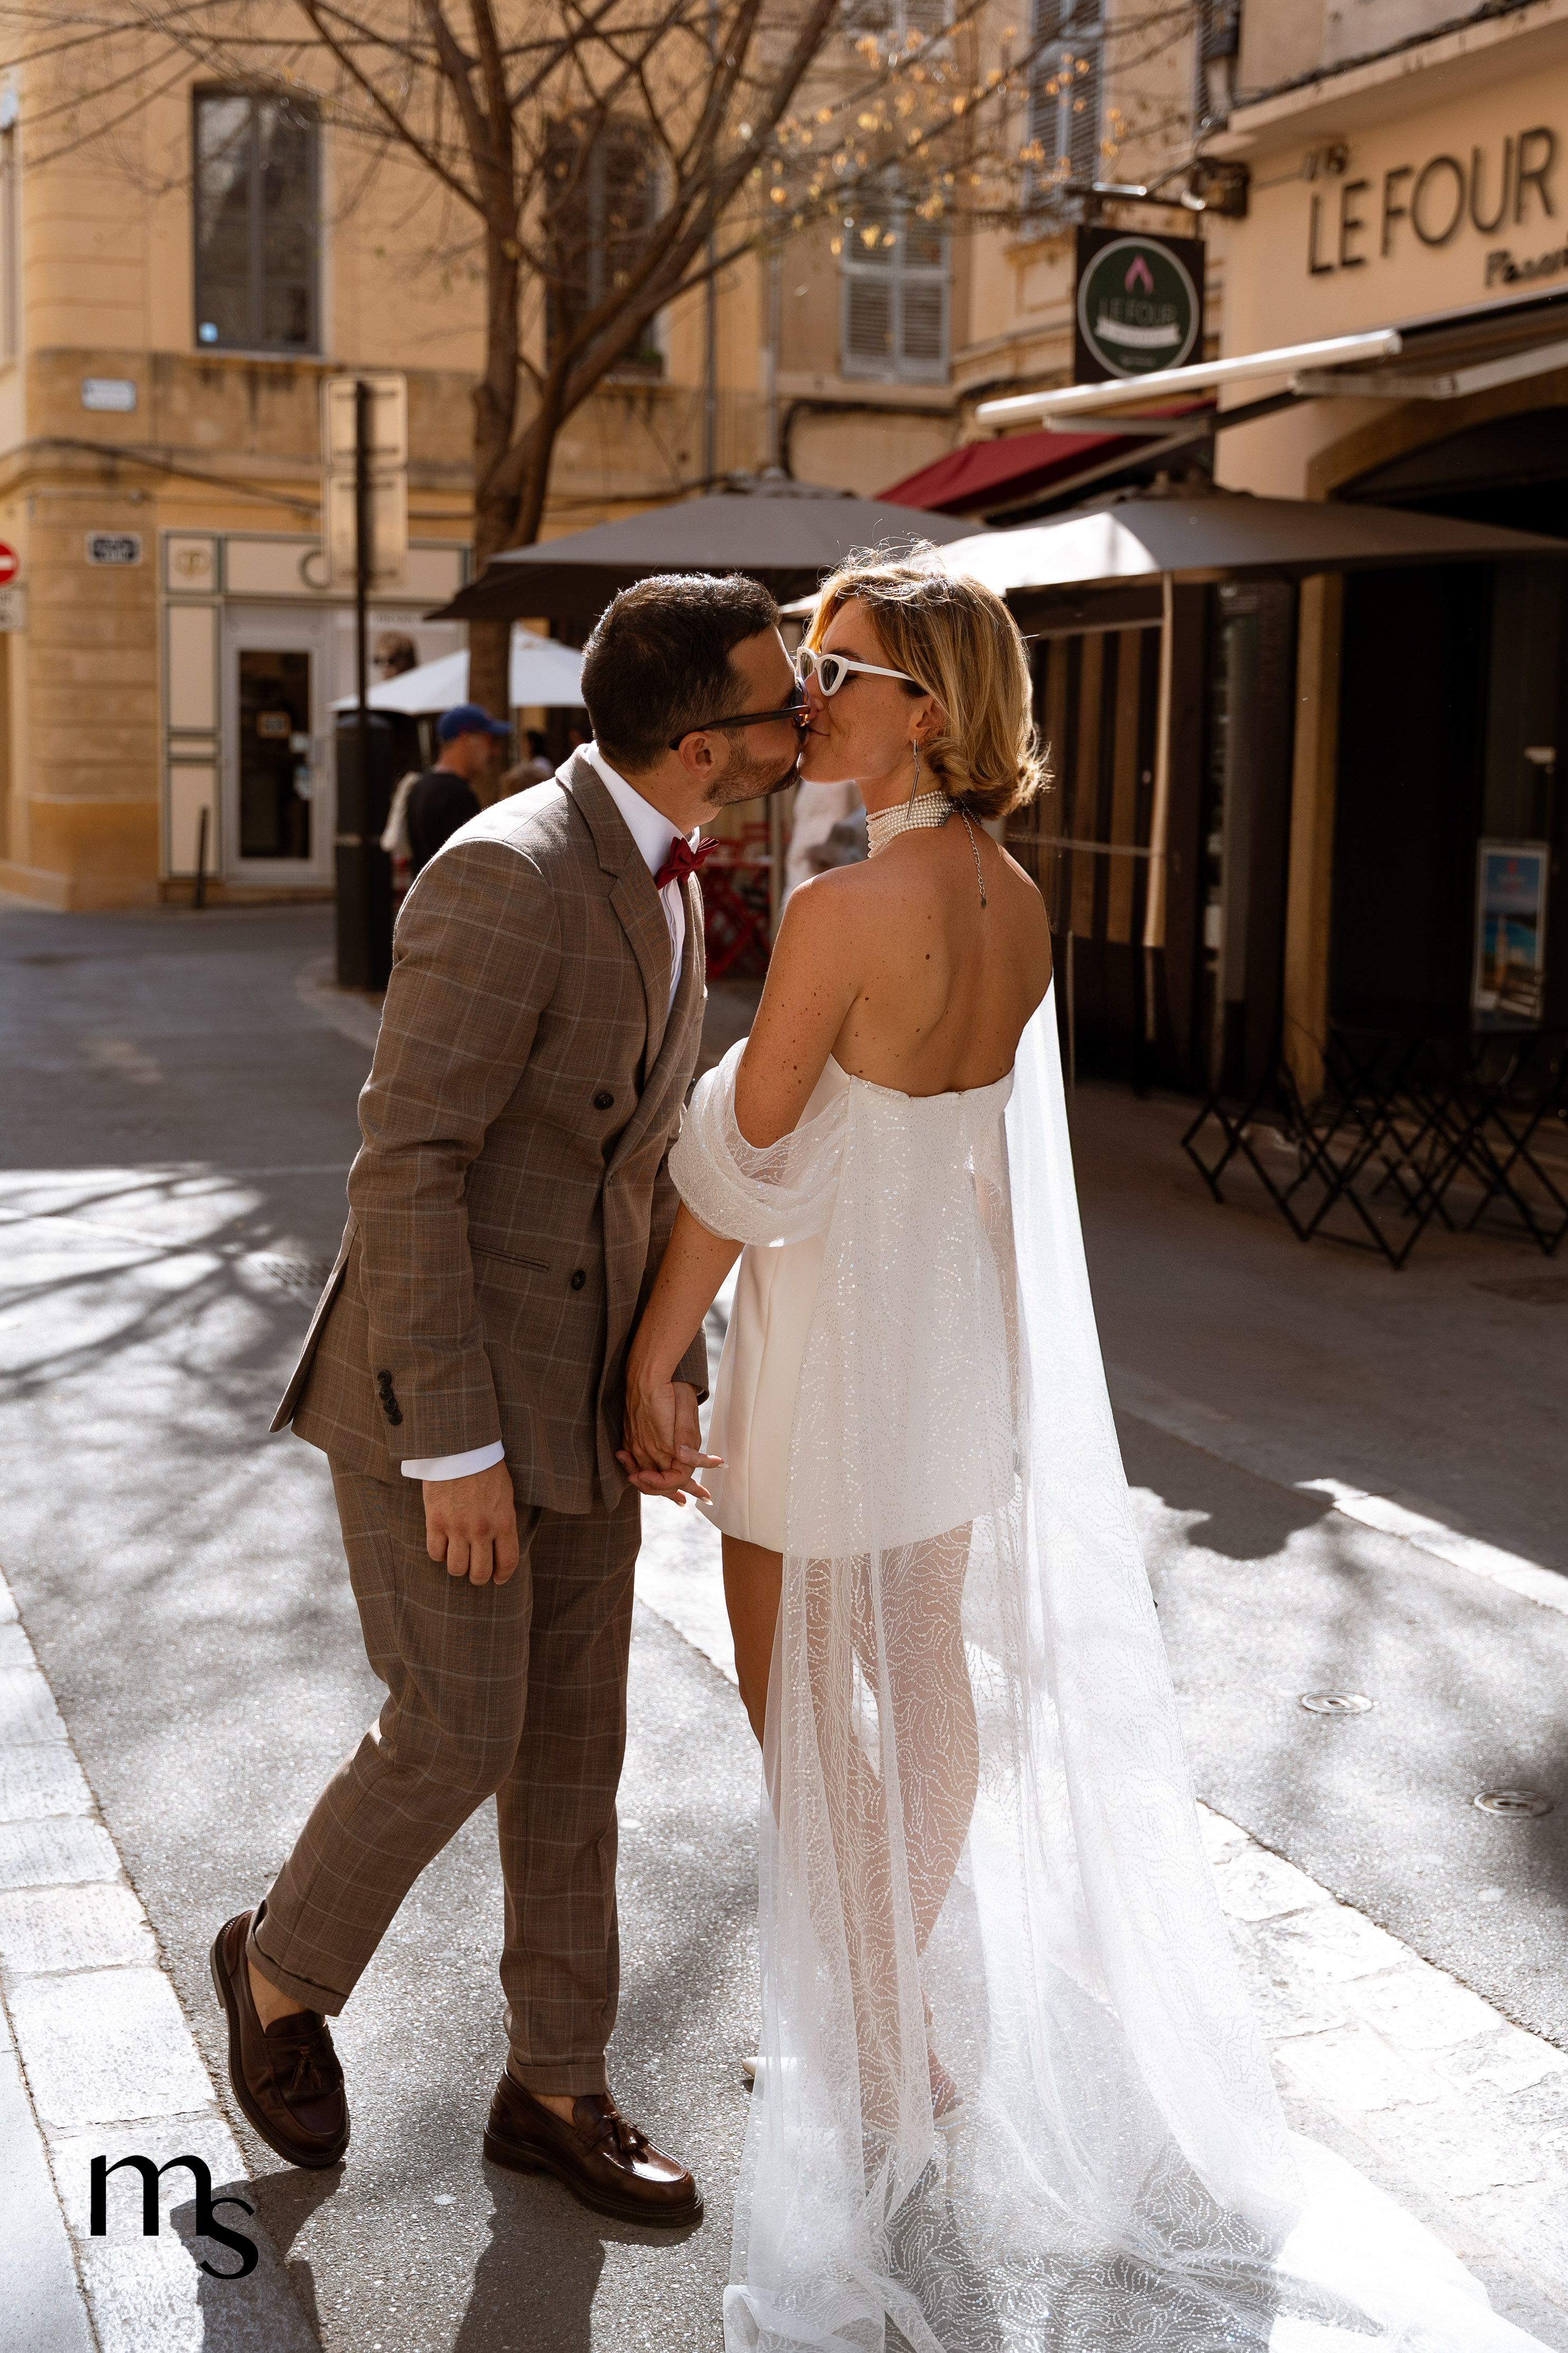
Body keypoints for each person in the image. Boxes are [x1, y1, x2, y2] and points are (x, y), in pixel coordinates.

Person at [620, 554, 1549, 2350]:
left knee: (792, 1685)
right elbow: (964, 1152)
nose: (806, 693)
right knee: (911, 1663)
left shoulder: (835, 910)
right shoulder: (1021, 900)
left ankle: (876, 2043)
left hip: (832, 1349)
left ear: (937, 709)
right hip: (956, 1344)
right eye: (809, 661)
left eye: (840, 666)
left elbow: (743, 1165)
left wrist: (662, 1350)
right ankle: (911, 2023)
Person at [209, 572, 805, 2229]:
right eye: (782, 698)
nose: (801, 717)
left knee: (572, 1754)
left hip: (583, 1396)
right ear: (703, 740)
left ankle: (557, 2084)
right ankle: (276, 1964)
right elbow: (407, 1169)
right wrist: (451, 1447)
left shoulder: (675, 873)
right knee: (460, 1731)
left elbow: (630, 1164)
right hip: (444, 1394)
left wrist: (657, 1363)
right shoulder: (508, 872)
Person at [403, 704, 510, 874]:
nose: (495, 751)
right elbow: (473, 867)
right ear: (465, 739)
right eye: (490, 741)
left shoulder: (420, 786)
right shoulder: (455, 795)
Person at [497, 726, 554, 798]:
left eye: (525, 742)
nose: (522, 746)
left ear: (532, 744)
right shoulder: (526, 762)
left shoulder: (542, 763)